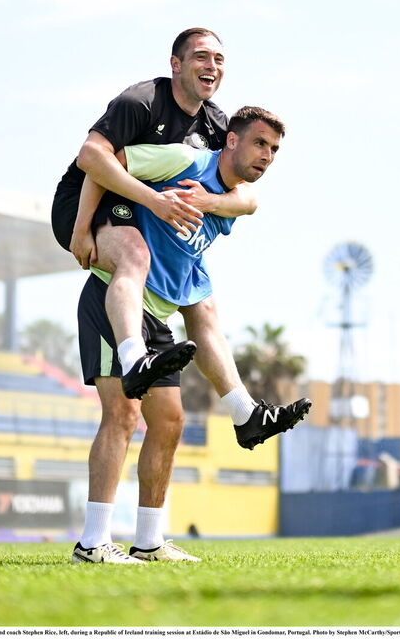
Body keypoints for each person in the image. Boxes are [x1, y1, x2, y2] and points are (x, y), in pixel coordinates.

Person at [71, 106, 310, 564]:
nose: (268, 156)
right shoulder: (184, 160)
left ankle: (148, 542)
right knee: (121, 416)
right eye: (260, 143)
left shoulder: (231, 199)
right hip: (114, 300)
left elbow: (246, 204)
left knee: (171, 423)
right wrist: (83, 228)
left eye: (275, 150)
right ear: (232, 141)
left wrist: (213, 202)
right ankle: (92, 542)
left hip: (160, 316)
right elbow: (105, 163)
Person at [52, 28, 295, 450]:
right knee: (135, 252)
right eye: (201, 57)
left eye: (219, 60)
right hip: (86, 203)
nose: (212, 67)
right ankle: (134, 358)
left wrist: (210, 204)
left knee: (202, 302)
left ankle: (245, 413)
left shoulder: (218, 124)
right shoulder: (142, 100)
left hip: (141, 205)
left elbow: (244, 191)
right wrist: (81, 232)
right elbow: (92, 159)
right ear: (176, 64)